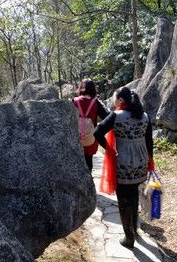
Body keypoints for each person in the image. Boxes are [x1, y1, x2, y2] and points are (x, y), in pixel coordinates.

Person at [93, 86, 153, 248]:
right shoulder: (145, 116)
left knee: (124, 199)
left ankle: (129, 237)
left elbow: (97, 132)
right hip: (141, 162)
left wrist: (109, 149)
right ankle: (135, 229)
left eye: (115, 98)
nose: (113, 101)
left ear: (121, 100)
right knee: (134, 196)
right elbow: (149, 143)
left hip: (123, 162)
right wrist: (150, 162)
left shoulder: (116, 116)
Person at [73, 78, 110, 171]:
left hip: (76, 135)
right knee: (89, 160)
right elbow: (107, 117)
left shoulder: (74, 101)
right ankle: (89, 181)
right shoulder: (95, 103)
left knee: (76, 160)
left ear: (81, 87)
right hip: (90, 136)